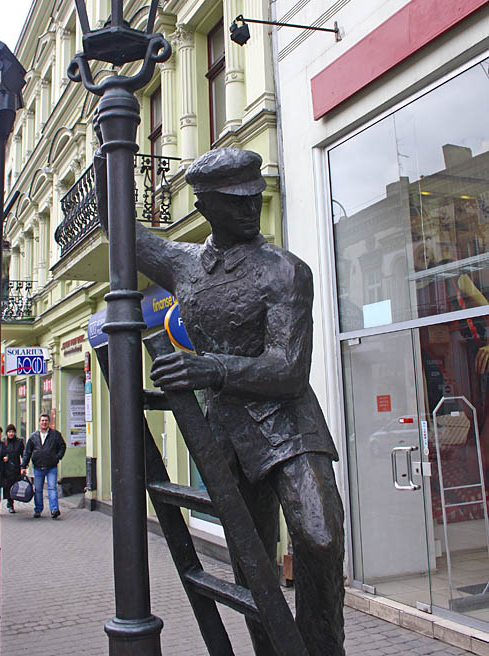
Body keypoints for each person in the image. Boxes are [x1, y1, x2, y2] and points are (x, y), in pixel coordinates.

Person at [95, 146, 345, 656]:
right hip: (228, 432)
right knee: (250, 562)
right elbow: (124, 232)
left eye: (254, 197)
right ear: (206, 205)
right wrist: (109, 150)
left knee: (320, 537)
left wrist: (211, 368)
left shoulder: (285, 271)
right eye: (236, 202)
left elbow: (289, 369)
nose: (251, 208)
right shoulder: (183, 263)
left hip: (289, 425)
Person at [21, 413, 66, 519]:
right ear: (39, 422)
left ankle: (54, 509)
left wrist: (58, 457)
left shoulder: (55, 435)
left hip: (51, 467)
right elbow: (27, 452)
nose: (44, 422)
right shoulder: (33, 437)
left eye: (46, 420)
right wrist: (23, 466)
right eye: (42, 421)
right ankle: (38, 510)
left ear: (49, 422)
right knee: (38, 489)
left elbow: (62, 446)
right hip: (38, 467)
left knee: (52, 488)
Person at [1, 424, 25, 513]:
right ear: (7, 433)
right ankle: (10, 503)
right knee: (8, 486)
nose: (11, 434)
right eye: (9, 432)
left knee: (15, 485)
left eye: (12, 432)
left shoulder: (19, 442)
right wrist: (3, 458)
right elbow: (1, 453)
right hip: (6, 469)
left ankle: (12, 500)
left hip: (16, 467)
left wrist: (23, 466)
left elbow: (23, 454)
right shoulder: (4, 442)